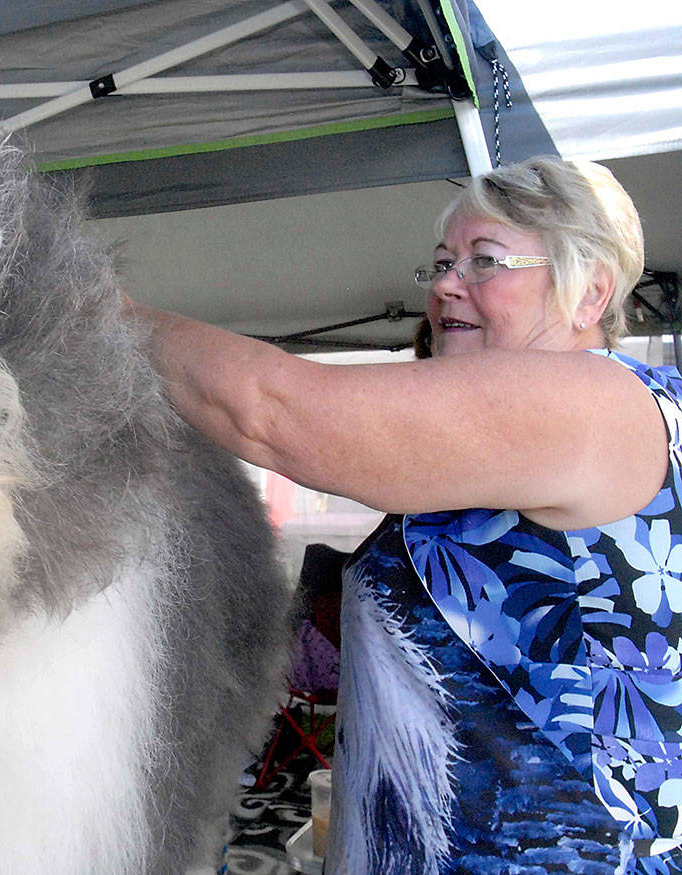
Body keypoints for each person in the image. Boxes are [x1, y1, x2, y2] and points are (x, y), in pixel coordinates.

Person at [129, 156, 681, 873]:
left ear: (589, 294)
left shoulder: (596, 401)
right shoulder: (508, 446)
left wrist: (102, 315)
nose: (448, 283)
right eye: (443, 263)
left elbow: (276, 414)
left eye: (486, 261)